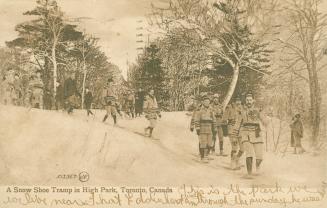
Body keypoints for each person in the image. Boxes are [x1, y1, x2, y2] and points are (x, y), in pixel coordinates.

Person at [240, 92, 267, 178]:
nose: (248, 101)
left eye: (250, 100)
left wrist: (267, 116)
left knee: (259, 157)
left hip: (257, 134)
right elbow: (237, 123)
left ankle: (258, 165)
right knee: (249, 154)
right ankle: (249, 173)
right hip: (246, 133)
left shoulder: (257, 110)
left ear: (253, 101)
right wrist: (235, 134)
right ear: (245, 101)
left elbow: (265, 121)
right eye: (247, 100)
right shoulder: (242, 110)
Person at [194, 95, 217, 163]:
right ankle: (202, 157)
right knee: (203, 143)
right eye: (205, 101)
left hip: (209, 128)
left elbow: (214, 120)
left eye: (208, 101)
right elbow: (196, 120)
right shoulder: (200, 110)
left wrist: (215, 128)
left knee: (210, 144)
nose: (207, 103)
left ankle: (206, 155)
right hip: (202, 128)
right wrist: (197, 128)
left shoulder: (211, 110)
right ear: (203, 102)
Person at [224, 97, 244, 169]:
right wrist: (225, 130)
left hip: (241, 131)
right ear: (234, 101)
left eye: (239, 101)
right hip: (232, 129)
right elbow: (224, 119)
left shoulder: (242, 108)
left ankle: (237, 159)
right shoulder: (229, 108)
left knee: (242, 148)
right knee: (234, 147)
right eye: (237, 100)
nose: (238, 102)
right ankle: (232, 163)